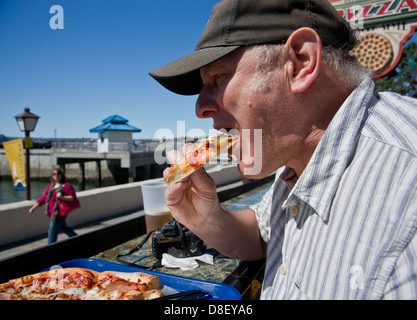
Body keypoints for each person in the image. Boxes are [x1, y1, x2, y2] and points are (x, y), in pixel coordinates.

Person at [149, 0, 417, 299]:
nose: (200, 108)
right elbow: (263, 237)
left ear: (301, 62)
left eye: (218, 77)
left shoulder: (407, 197)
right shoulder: (297, 155)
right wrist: (205, 218)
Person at [29, 168, 80, 244]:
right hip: (52, 213)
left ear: (61, 175)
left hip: (59, 213)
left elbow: (73, 198)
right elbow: (44, 197)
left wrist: (62, 197)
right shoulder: (51, 186)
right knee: (63, 227)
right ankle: (78, 239)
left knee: (52, 230)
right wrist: (34, 207)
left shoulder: (66, 186)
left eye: (58, 174)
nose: (55, 175)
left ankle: (50, 248)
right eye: (54, 174)